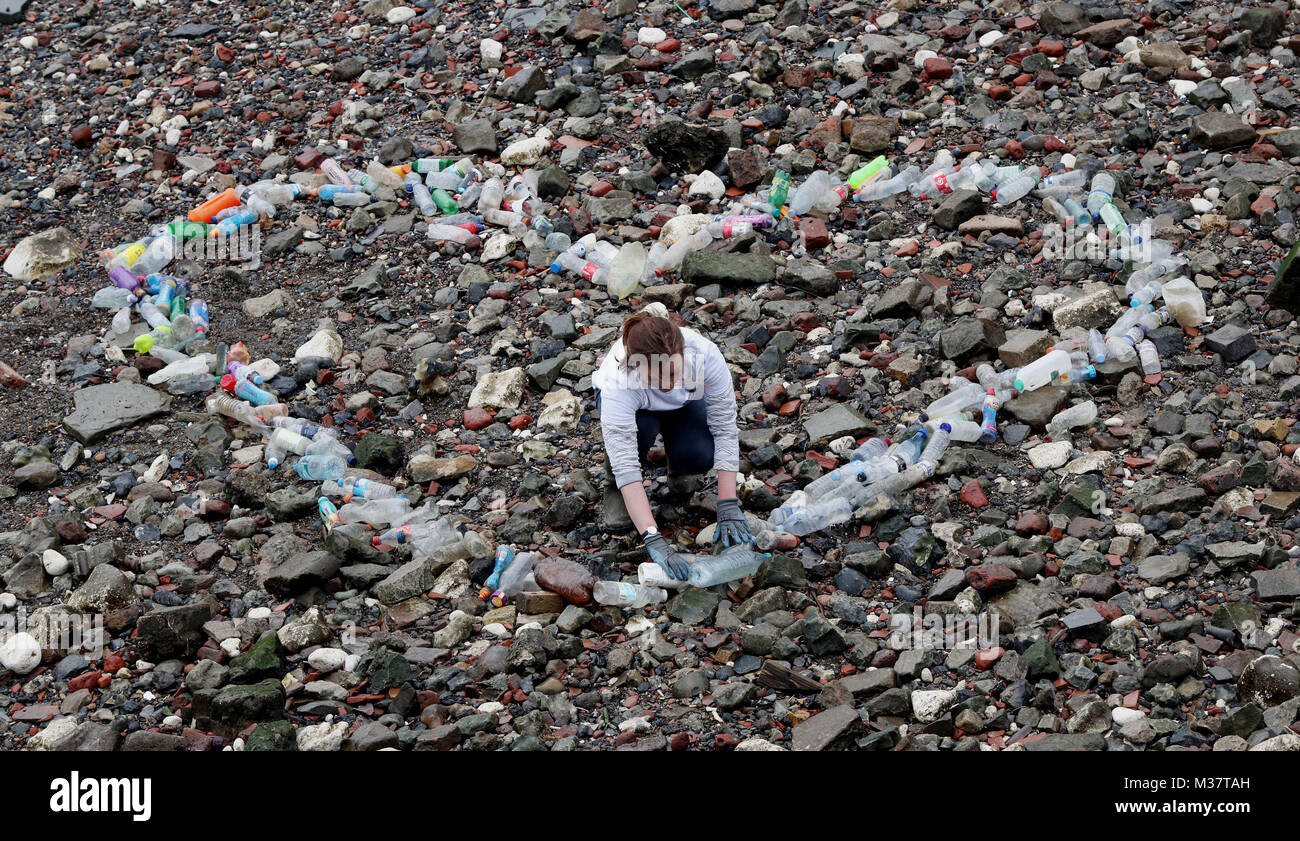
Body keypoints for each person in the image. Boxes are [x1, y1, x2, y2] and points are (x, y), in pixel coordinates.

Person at [593, 304, 753, 579]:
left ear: (682, 353)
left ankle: (677, 465)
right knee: (642, 429)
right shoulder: (618, 382)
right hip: (640, 412)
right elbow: (626, 465)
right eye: (658, 376)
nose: (667, 382)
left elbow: (725, 427)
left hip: (683, 405)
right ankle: (613, 488)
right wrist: (651, 535)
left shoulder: (703, 354)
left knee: (700, 455)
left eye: (673, 372)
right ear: (636, 364)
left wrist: (727, 501)